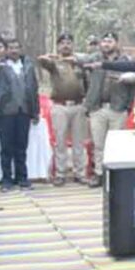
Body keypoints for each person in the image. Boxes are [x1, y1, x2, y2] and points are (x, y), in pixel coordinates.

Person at [0, 38, 40, 192]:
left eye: (16, 48)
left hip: (24, 111)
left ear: (21, 49)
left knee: (21, 147)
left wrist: (35, 111)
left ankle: (22, 178)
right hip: (4, 112)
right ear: (6, 50)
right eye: (11, 48)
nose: (14, 51)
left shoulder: (27, 65)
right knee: (6, 148)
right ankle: (6, 179)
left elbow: (34, 89)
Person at [83, 33, 135, 188]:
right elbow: (83, 74)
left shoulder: (125, 61)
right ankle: (99, 174)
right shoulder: (94, 59)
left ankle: (114, 175)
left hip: (117, 108)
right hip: (97, 108)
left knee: (116, 144)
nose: (106, 44)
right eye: (104, 41)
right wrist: (89, 102)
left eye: (110, 41)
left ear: (116, 43)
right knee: (98, 144)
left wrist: (128, 106)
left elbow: (132, 86)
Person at [38, 33, 89, 186]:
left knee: (79, 142)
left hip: (78, 105)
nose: (66, 46)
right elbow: (41, 60)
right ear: (58, 46)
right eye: (62, 43)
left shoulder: (79, 62)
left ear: (73, 45)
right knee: (60, 141)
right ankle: (60, 173)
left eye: (68, 43)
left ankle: (80, 173)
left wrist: (77, 61)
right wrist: (53, 57)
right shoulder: (54, 63)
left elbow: (89, 72)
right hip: (60, 106)